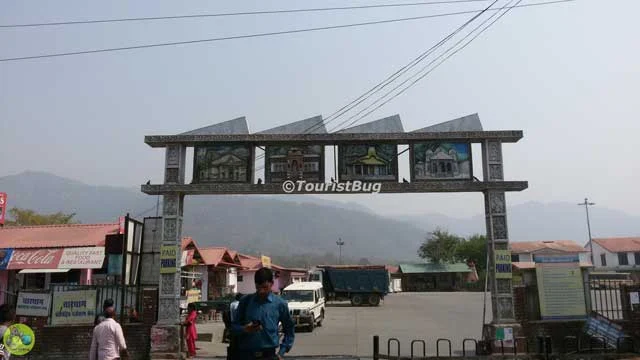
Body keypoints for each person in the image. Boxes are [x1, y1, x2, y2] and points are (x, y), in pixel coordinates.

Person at [231, 268, 295, 359]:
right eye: (258, 287)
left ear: (272, 284)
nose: (261, 291)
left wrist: (281, 352)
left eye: (265, 287)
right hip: (246, 354)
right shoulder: (245, 302)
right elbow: (233, 327)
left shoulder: (280, 304)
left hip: (269, 355)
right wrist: (245, 329)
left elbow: (289, 329)